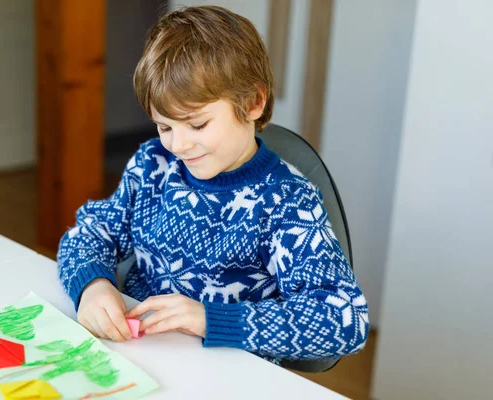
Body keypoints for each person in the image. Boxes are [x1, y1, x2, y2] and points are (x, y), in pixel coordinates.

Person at [58, 5, 369, 364]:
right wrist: (92, 287)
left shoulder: (286, 202)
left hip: (226, 373)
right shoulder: (154, 164)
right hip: (138, 358)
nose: (178, 145)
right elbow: (91, 232)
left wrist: (212, 320)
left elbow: (345, 321)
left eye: (198, 125)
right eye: (165, 126)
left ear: (253, 102)